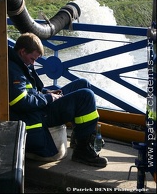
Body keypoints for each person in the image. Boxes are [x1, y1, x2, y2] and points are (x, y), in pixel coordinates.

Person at [8, 32, 108, 168]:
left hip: (38, 107)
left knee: (83, 83)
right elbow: (20, 102)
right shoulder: (13, 69)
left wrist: (47, 92)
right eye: (32, 59)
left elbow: (30, 90)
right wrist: (49, 98)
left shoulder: (21, 63)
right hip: (36, 115)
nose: (33, 63)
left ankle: (79, 140)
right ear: (22, 51)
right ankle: (82, 151)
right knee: (86, 96)